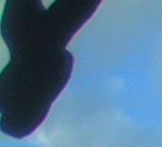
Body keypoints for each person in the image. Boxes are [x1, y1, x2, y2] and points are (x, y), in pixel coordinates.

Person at [0, 0, 102, 137]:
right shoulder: (16, 99)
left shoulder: (40, 87)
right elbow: (63, 61)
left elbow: (64, 60)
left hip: (35, 40)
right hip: (27, 36)